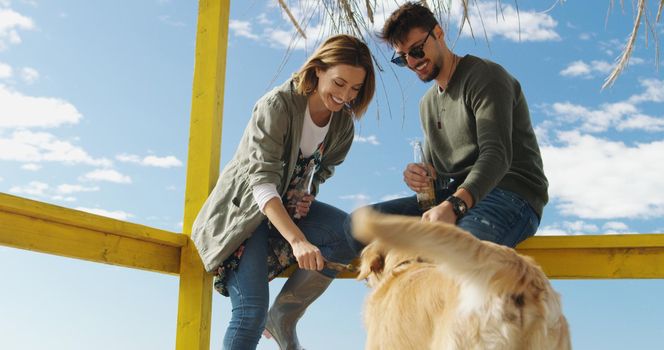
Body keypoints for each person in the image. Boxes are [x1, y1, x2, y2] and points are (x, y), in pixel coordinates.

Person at [191, 35, 375, 350]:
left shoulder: (343, 125)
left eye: (355, 89)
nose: (345, 96)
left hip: (286, 215)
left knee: (349, 232)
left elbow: (322, 168)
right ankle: (265, 313)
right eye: (339, 83)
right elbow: (260, 182)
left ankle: (284, 316)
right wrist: (298, 239)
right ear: (318, 70)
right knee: (250, 312)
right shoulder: (277, 105)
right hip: (244, 216)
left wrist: (307, 194)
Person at [346, 2, 547, 250]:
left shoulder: (485, 76)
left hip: (511, 194)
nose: (412, 62)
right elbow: (439, 178)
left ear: (439, 34)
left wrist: (455, 206)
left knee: (453, 255)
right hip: (456, 197)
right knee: (359, 227)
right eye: (403, 58)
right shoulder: (427, 104)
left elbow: (497, 155)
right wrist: (423, 177)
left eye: (417, 50)